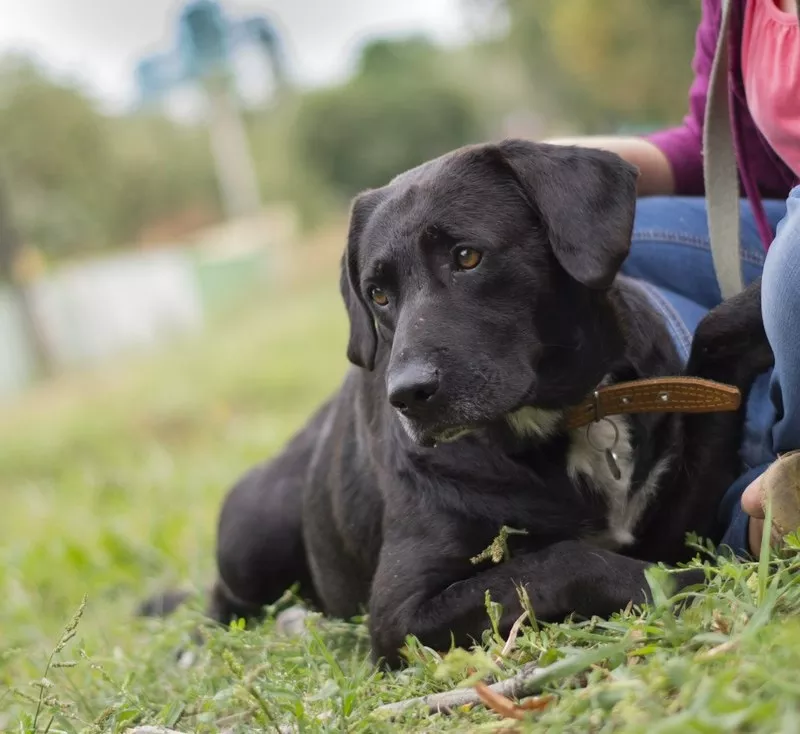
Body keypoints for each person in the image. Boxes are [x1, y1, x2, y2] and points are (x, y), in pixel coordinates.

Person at [549, 0, 800, 557]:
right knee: (581, 243)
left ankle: (761, 487)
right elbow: (717, 153)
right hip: (780, 229)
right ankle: (740, 472)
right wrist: (555, 170)